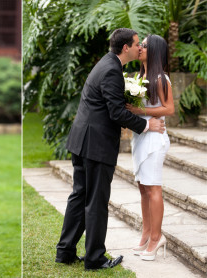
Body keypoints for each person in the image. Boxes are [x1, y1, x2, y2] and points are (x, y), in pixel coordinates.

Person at [55, 28, 166, 270]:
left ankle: (65, 251)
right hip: (96, 145)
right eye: (137, 44)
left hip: (83, 141)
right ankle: (95, 258)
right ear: (126, 47)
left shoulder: (106, 64)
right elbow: (116, 113)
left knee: (79, 197)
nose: (140, 48)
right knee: (95, 201)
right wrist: (147, 125)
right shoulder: (112, 71)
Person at [126, 34, 173, 261]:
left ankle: (156, 238)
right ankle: (146, 235)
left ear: (153, 51)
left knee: (153, 189)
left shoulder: (161, 79)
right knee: (143, 188)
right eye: (140, 44)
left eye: (144, 45)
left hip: (155, 140)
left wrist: (139, 112)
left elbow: (169, 109)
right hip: (141, 137)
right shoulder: (139, 77)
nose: (140, 48)